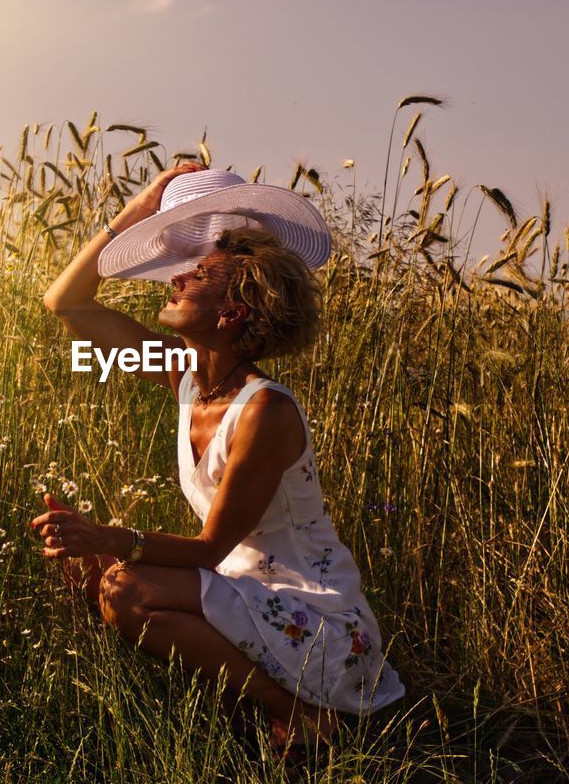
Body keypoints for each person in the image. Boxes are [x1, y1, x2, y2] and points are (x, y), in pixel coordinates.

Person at [32, 162, 404, 753]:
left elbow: (210, 549)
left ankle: (303, 718)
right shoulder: (181, 374)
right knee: (94, 577)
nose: (173, 282)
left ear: (231, 313)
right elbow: (65, 303)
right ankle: (250, 710)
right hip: (248, 596)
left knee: (123, 588)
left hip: (316, 621)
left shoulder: (266, 411)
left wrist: (105, 533)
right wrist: (138, 211)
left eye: (195, 274)